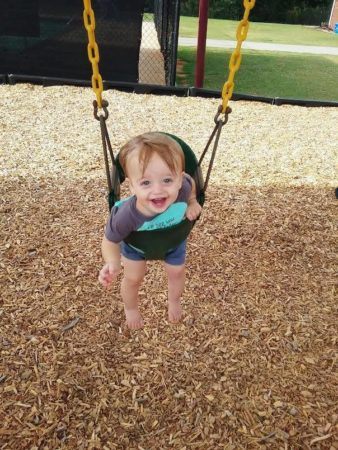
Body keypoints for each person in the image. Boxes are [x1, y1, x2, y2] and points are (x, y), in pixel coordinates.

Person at [98, 132, 202, 330]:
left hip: (173, 241)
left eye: (167, 180)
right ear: (132, 186)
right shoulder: (125, 215)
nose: (158, 190)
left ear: (178, 181)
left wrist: (192, 201)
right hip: (136, 247)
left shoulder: (183, 188)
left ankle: (174, 300)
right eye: (146, 183)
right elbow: (109, 241)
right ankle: (130, 308)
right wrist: (112, 262)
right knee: (133, 277)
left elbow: (191, 182)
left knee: (177, 271)